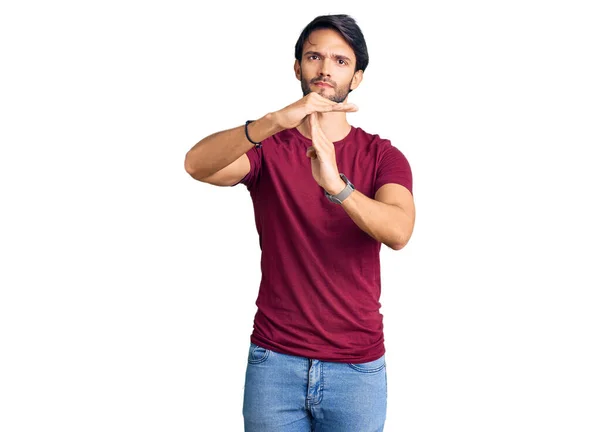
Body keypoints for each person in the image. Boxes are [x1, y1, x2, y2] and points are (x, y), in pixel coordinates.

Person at [184, 14, 415, 432]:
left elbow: (399, 232)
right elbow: (196, 165)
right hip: (275, 363)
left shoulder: (382, 155)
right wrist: (275, 120)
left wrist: (338, 187)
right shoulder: (268, 147)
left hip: (356, 369)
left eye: (340, 61)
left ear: (357, 77)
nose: (325, 68)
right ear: (298, 68)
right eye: (314, 56)